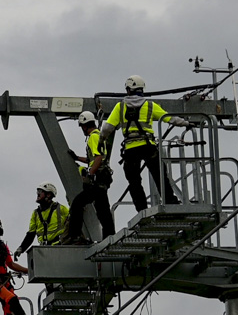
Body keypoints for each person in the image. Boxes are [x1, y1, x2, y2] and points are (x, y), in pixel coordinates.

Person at [97, 74, 178, 211]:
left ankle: (141, 208)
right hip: (148, 146)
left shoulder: (120, 107)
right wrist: (187, 123)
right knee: (160, 175)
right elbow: (169, 118)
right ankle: (171, 202)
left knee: (134, 180)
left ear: (128, 90)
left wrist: (101, 140)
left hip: (131, 149)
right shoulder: (150, 105)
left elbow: (106, 129)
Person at [66, 111, 115, 242]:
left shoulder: (93, 137)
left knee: (77, 204)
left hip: (98, 178)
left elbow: (98, 158)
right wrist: (77, 158)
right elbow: (92, 159)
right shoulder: (99, 136)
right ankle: (110, 235)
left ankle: (75, 236)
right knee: (103, 209)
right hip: (102, 178)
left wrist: (90, 174)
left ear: (85, 125)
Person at [15, 183, 69, 256]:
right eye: (37, 191)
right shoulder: (35, 214)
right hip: (44, 250)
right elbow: (31, 234)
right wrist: (21, 248)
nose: (38, 194)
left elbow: (73, 222)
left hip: (59, 248)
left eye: (40, 191)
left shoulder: (61, 209)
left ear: (48, 195)